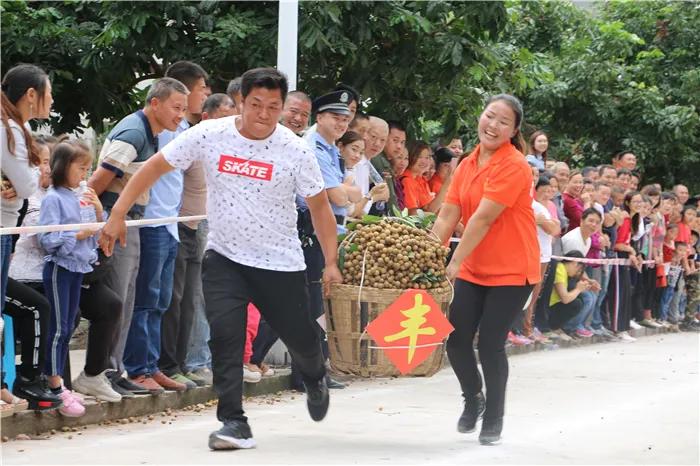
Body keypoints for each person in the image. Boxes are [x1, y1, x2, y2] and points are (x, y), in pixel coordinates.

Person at [98, 67, 341, 450]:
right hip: (225, 258)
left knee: (303, 339)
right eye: (255, 104)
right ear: (241, 102)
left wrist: (330, 261)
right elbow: (153, 167)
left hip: (279, 263)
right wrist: (116, 213)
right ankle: (233, 422)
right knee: (225, 340)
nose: (263, 114)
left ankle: (313, 376)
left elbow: (320, 208)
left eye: (273, 107)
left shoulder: (295, 150)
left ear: (282, 109)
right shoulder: (210, 134)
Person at [432, 94, 539, 445]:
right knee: (456, 339)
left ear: (514, 130)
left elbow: (482, 218)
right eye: (489, 116)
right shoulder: (466, 164)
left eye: (503, 122)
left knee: (491, 343)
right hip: (474, 267)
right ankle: (473, 398)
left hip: (512, 270)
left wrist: (455, 260)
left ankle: (494, 416)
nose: (492, 126)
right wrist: (430, 252)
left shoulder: (515, 165)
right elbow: (449, 213)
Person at [88, 77, 189, 395]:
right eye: (176, 108)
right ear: (155, 103)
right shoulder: (134, 133)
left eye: (184, 109)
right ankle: (106, 371)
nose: (180, 116)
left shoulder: (154, 135)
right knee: (117, 300)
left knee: (129, 301)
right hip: (117, 226)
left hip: (132, 223)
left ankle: (117, 371)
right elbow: (95, 184)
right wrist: (103, 220)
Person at [152, 61, 209, 392]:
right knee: (166, 302)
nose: (205, 94)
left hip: (185, 227)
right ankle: (164, 365)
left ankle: (178, 363)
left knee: (185, 301)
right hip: (166, 225)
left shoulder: (186, 132)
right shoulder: (166, 133)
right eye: (202, 88)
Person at [38, 141, 104, 417]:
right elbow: (48, 239)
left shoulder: (81, 195)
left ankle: (58, 383)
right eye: (81, 167)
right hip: (59, 269)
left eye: (88, 168)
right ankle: (53, 384)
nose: (84, 173)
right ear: (64, 167)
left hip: (78, 268)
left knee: (67, 325)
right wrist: (77, 234)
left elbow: (97, 234)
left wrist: (99, 212)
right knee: (56, 327)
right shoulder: (53, 198)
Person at [402, 141, 451, 215]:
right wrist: (446, 184)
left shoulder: (420, 179)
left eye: (427, 157)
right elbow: (413, 214)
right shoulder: (407, 181)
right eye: (419, 157)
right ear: (410, 156)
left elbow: (429, 207)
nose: (424, 161)